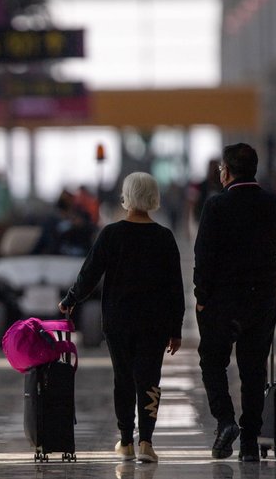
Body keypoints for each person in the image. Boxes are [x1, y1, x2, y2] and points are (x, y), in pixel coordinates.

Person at [58, 172, 184, 464]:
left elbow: (89, 273)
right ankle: (147, 443)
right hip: (154, 323)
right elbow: (175, 288)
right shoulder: (164, 237)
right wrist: (175, 329)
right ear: (154, 197)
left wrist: (70, 300)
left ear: (126, 196)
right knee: (150, 380)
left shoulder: (111, 234)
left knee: (123, 379)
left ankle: (126, 440)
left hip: (118, 321)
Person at [194, 143, 276, 463]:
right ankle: (251, 441)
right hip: (262, 300)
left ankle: (226, 422)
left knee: (213, 361)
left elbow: (204, 258)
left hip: (223, 302)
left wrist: (201, 298)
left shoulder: (215, 206)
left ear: (226, 171)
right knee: (253, 370)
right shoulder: (273, 203)